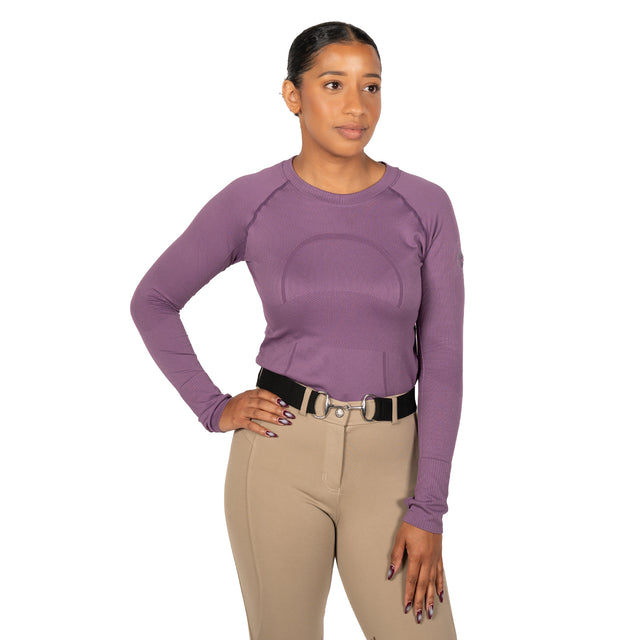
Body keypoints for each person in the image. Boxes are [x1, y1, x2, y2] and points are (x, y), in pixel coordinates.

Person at [130, 20, 464, 640]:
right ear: (292, 95)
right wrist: (213, 407)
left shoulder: (426, 205)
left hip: (394, 466)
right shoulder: (251, 200)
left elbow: (442, 361)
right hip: (279, 454)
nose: (356, 106)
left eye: (371, 86)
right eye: (333, 84)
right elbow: (153, 300)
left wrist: (430, 507)